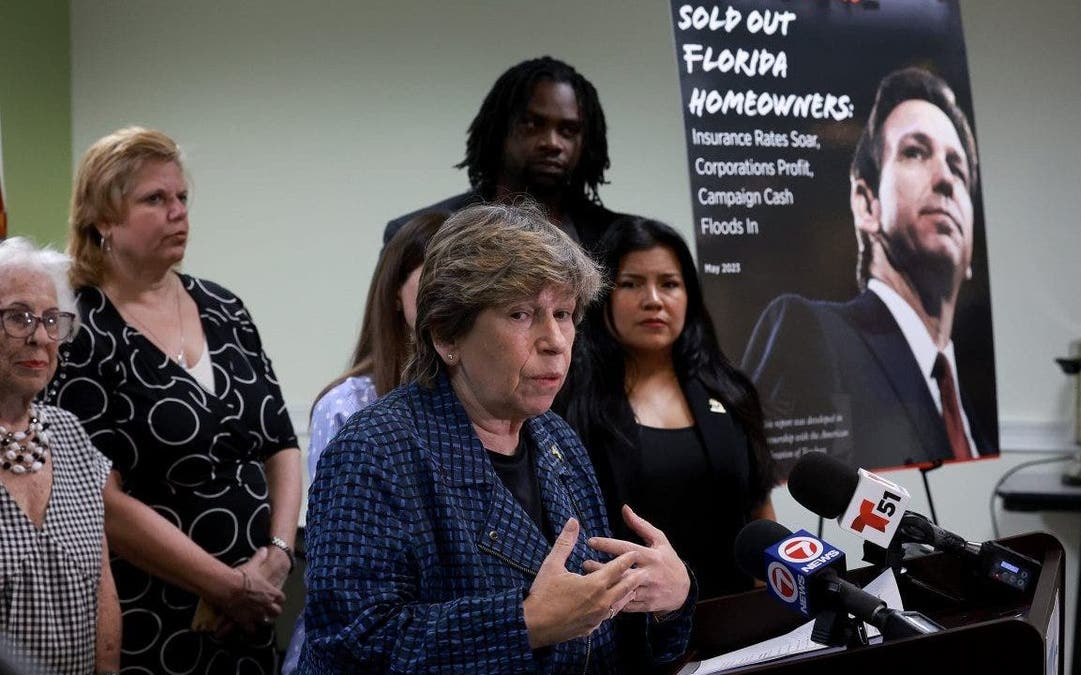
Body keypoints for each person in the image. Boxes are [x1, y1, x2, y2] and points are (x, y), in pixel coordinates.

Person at [302, 204, 695, 673]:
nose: (555, 340)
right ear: (447, 335)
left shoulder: (558, 440)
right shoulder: (372, 451)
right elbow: (348, 647)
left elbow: (596, 633)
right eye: (521, 314)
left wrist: (668, 598)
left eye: (564, 313)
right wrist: (524, 622)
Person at [43, 127, 302, 673]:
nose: (178, 213)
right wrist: (226, 585)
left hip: (253, 612)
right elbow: (101, 498)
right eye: (154, 199)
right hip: (154, 618)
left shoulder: (223, 306)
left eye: (182, 197)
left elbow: (281, 444)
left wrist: (277, 557)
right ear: (102, 219)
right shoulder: (79, 329)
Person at [741, 67, 997, 470]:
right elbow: (755, 476)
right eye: (916, 151)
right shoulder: (810, 332)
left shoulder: (974, 417)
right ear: (866, 203)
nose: (946, 179)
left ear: (970, 252)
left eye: (958, 168)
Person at [557, 217, 775, 600]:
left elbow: (760, 511)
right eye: (631, 283)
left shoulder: (730, 391)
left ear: (689, 295)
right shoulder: (571, 401)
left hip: (739, 614)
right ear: (602, 294)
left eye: (669, 284)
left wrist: (771, 605)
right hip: (629, 623)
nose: (653, 300)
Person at [281, 211, 444, 674]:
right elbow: (347, 572)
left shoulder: (492, 405)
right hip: (368, 639)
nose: (451, 295)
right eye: (433, 275)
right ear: (395, 291)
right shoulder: (347, 406)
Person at [0, 238, 119, 674]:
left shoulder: (71, 436)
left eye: (52, 320)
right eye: (18, 317)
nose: (39, 336)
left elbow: (103, 586)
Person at [383, 56, 626, 253]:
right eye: (532, 124)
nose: (553, 143)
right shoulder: (419, 236)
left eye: (568, 130)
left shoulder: (622, 239)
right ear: (499, 130)